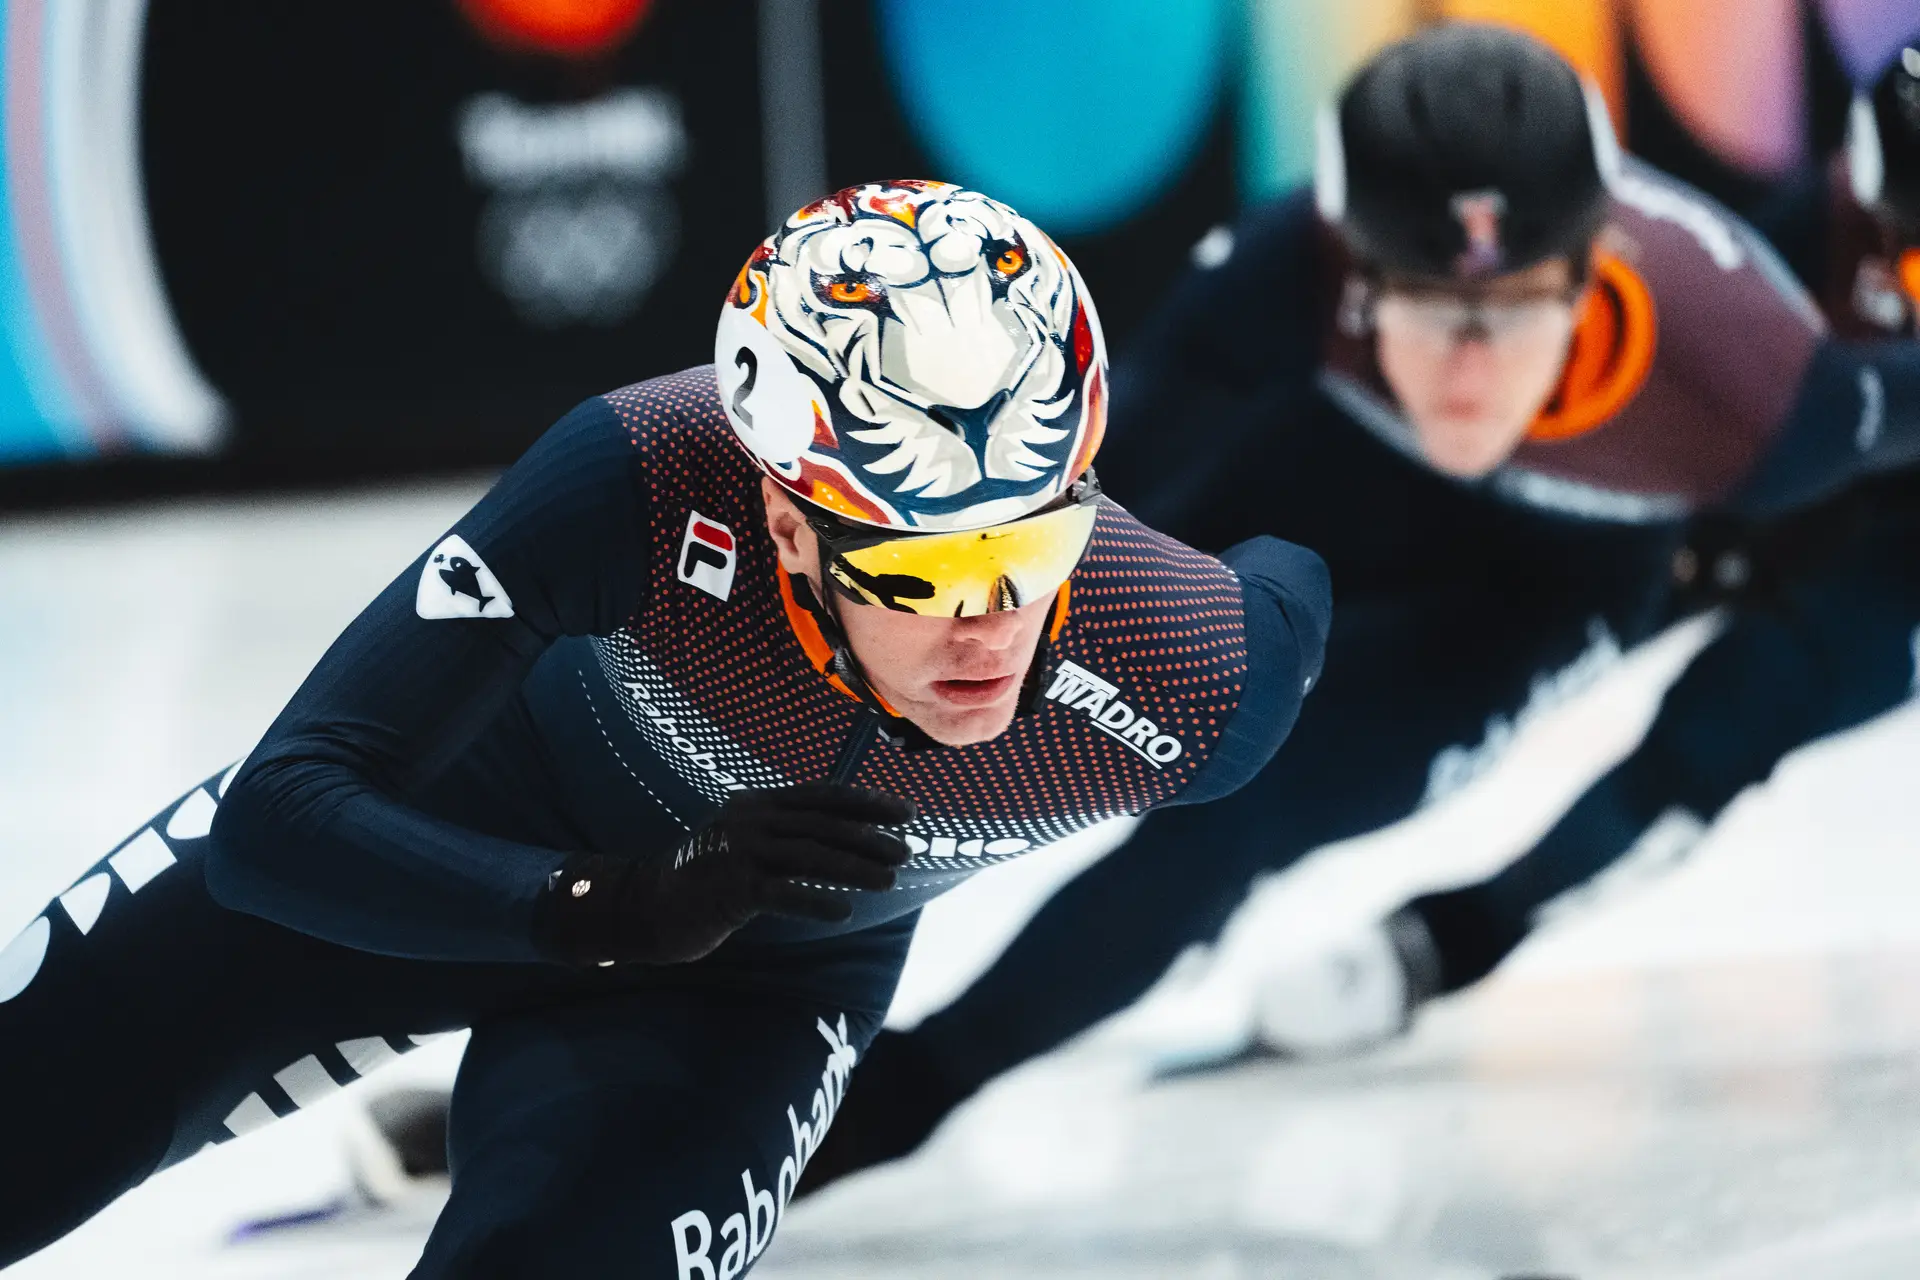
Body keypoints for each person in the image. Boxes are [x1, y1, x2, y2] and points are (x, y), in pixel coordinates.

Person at [0, 180, 1329, 1277]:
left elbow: (1301, 582)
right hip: (442, 834)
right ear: (788, 524)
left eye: (1029, 550)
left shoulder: (1190, 680)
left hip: (744, 988)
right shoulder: (643, 474)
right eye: (920, 574)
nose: (987, 627)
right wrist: (612, 906)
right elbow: (280, 818)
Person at [795, 24, 1920, 1195]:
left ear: (1589, 277)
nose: (1469, 371)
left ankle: (897, 1101)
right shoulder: (1287, 269)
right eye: (1430, 306)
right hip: (1347, 477)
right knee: (1022, 626)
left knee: (1243, 817)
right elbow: (1092, 491)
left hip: (1547, 587)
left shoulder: (1766, 398)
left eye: (1513, 312)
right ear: (1359, 272)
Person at [1246, 30, 1920, 1055]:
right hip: (1818, 453)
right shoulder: (1823, 227)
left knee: (1739, 714)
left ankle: (1451, 937)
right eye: (1899, 236)